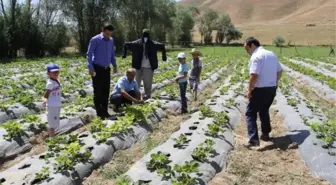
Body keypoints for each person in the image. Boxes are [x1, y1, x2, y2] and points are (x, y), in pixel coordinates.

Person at [243, 37, 282, 148]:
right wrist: (275, 82)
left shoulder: (256, 56)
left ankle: (253, 140)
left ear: (252, 45)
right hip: (271, 88)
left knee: (250, 113)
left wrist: (249, 90)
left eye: (247, 49)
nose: (247, 52)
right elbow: (279, 71)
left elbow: (254, 75)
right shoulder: (271, 54)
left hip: (260, 89)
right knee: (264, 110)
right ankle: (265, 134)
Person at [122, 29, 167, 100]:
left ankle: (147, 95)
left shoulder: (153, 44)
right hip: (138, 66)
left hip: (148, 66)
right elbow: (126, 44)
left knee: (147, 82)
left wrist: (164, 57)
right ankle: (135, 96)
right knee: (136, 83)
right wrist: (124, 54)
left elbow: (162, 46)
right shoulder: (137, 43)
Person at [87, 24, 118, 120]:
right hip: (97, 68)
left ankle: (105, 111)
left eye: (110, 34)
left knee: (106, 91)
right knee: (98, 91)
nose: (109, 36)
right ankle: (99, 113)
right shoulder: (95, 40)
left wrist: (115, 65)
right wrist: (90, 67)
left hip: (106, 69)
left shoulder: (111, 40)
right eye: (107, 34)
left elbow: (112, 54)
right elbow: (89, 54)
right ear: (103, 30)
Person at [43, 64, 61, 137]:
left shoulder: (56, 80)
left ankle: (53, 138)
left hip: (57, 104)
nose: (56, 73)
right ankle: (52, 140)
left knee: (55, 123)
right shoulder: (50, 83)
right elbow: (46, 94)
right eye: (53, 72)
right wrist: (45, 100)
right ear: (48, 73)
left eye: (57, 72)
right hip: (52, 106)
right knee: (52, 125)